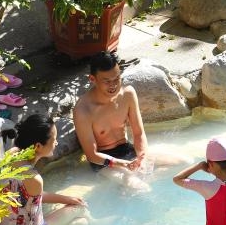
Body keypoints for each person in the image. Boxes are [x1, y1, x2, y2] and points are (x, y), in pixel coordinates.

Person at [73, 52, 185, 191]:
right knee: (141, 189)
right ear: (92, 79)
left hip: (127, 150)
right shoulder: (83, 110)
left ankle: (133, 185)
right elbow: (92, 155)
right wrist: (122, 164)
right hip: (104, 162)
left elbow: (139, 133)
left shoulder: (127, 94)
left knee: (184, 163)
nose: (113, 85)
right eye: (107, 81)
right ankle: (132, 186)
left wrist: (142, 157)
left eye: (117, 79)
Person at [0, 114, 90, 225]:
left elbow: (25, 195)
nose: (56, 143)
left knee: (78, 214)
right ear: (38, 146)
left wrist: (65, 199)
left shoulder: (12, 154)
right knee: (80, 209)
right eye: (54, 140)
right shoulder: (34, 179)